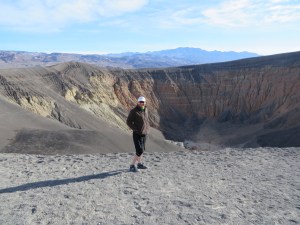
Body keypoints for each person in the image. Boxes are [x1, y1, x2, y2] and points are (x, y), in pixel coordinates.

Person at [126, 96, 150, 172]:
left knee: (142, 150)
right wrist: (135, 129)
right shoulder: (134, 111)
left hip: (144, 133)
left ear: (145, 102)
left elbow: (146, 120)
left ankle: (139, 164)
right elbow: (128, 122)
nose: (142, 103)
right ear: (138, 102)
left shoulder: (146, 109)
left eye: (143, 102)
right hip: (137, 134)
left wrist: (147, 128)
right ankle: (132, 165)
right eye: (140, 102)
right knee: (139, 150)